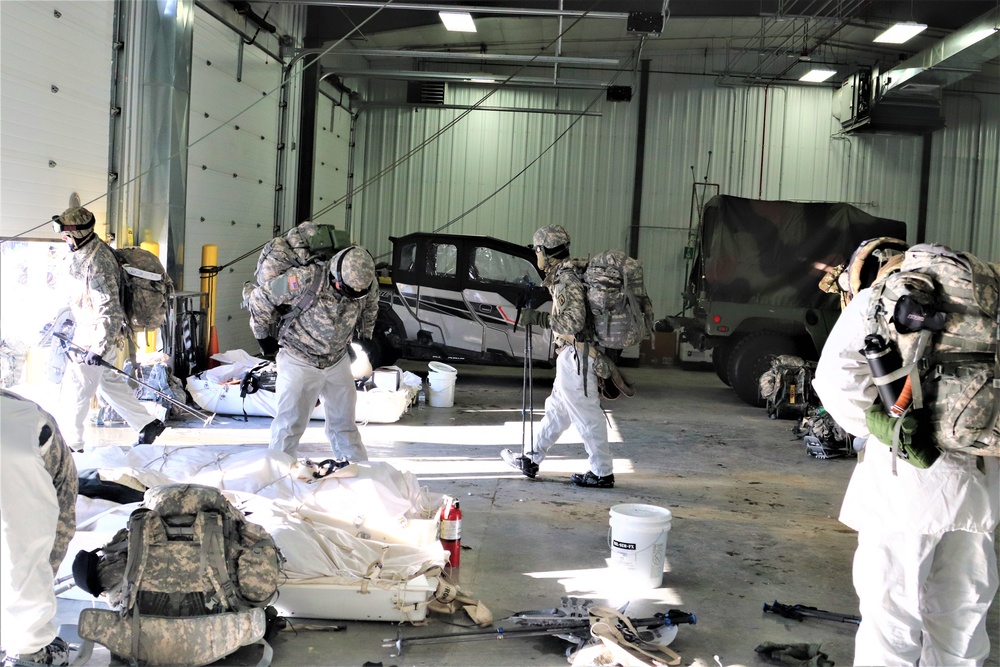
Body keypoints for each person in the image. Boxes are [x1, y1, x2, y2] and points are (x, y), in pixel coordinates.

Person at [812, 239, 999, 666]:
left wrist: (882, 428)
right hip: (979, 482)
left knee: (891, 615)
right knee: (963, 617)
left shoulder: (879, 299)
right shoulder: (985, 301)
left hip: (903, 486)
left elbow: (835, 381)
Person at [500, 225, 629, 489]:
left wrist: (538, 318)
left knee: (586, 415)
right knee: (557, 411)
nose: (536, 254)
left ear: (545, 252)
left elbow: (573, 322)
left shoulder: (566, 280)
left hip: (578, 357)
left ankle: (602, 472)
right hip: (573, 356)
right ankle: (532, 458)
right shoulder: (568, 274)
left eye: (537, 250)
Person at [249, 244, 379, 460]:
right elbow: (260, 298)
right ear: (335, 275)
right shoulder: (304, 279)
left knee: (345, 424)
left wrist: (364, 335)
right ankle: (278, 474)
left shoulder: (365, 282)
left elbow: (371, 306)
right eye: (344, 289)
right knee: (289, 424)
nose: (351, 295)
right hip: (299, 358)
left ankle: (357, 472)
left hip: (336, 359)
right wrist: (263, 337)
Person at [51, 207, 165, 451]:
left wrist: (98, 348)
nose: (62, 237)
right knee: (109, 382)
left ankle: (72, 445)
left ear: (79, 233)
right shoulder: (82, 251)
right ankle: (147, 424)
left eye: (66, 233)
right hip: (90, 329)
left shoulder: (98, 261)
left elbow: (109, 308)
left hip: (96, 334)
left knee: (77, 389)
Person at [1, 389, 78, 666]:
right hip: (17, 439)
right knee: (27, 549)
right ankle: (29, 649)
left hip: (18, 438)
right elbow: (60, 520)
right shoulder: (23, 413)